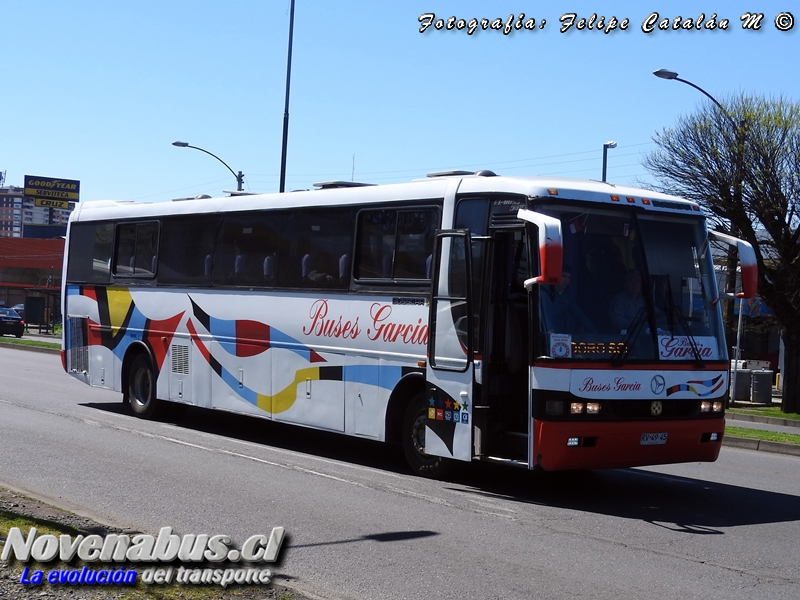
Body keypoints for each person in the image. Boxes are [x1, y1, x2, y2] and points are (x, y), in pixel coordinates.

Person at [540, 264, 596, 334]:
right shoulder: (544, 293)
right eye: (564, 276)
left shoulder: (567, 296)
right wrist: (550, 331)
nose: (566, 280)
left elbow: (580, 315)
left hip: (559, 337)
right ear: (556, 276)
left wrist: (594, 332)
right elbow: (546, 316)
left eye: (569, 277)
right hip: (545, 335)